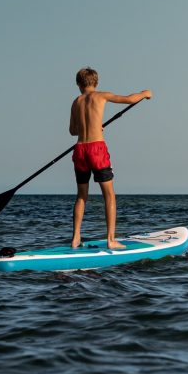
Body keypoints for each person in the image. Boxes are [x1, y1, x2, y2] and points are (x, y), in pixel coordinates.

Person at [68, 67, 152, 249]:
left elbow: (72, 131)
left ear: (78, 84)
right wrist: (144, 93)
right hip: (96, 149)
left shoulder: (76, 102)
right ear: (96, 83)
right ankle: (111, 240)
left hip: (80, 149)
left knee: (81, 196)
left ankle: (75, 238)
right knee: (109, 195)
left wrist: (91, 127)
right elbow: (129, 99)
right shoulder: (101, 96)